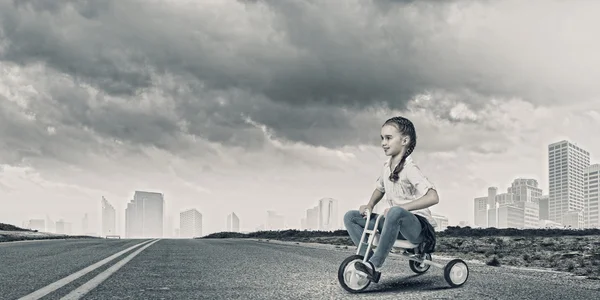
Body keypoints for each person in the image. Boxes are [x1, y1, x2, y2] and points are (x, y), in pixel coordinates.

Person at [343, 116, 439, 282]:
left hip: (416, 229)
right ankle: (367, 259)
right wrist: (370, 205)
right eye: (382, 138)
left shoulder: (410, 169)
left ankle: (375, 264)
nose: (383, 143)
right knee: (351, 217)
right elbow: (380, 188)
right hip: (393, 224)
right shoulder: (386, 167)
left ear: (404, 140)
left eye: (388, 138)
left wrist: (403, 209)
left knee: (395, 212)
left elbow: (433, 196)